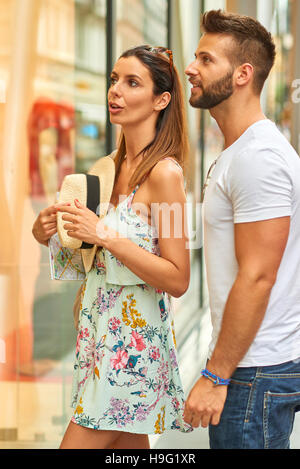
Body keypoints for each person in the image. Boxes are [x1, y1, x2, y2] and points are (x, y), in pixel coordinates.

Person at [33, 45, 192, 449]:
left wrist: (106, 234)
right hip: (97, 338)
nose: (115, 91)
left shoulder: (166, 175)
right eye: (114, 80)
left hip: (132, 350)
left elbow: (178, 278)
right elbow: (86, 262)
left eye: (131, 82)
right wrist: (46, 230)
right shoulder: (107, 169)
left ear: (161, 100)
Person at [184, 9, 300, 449]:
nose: (191, 69)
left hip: (253, 372)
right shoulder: (240, 151)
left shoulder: (259, 158)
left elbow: (257, 276)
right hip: (251, 367)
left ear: (242, 74)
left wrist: (216, 375)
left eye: (206, 59)